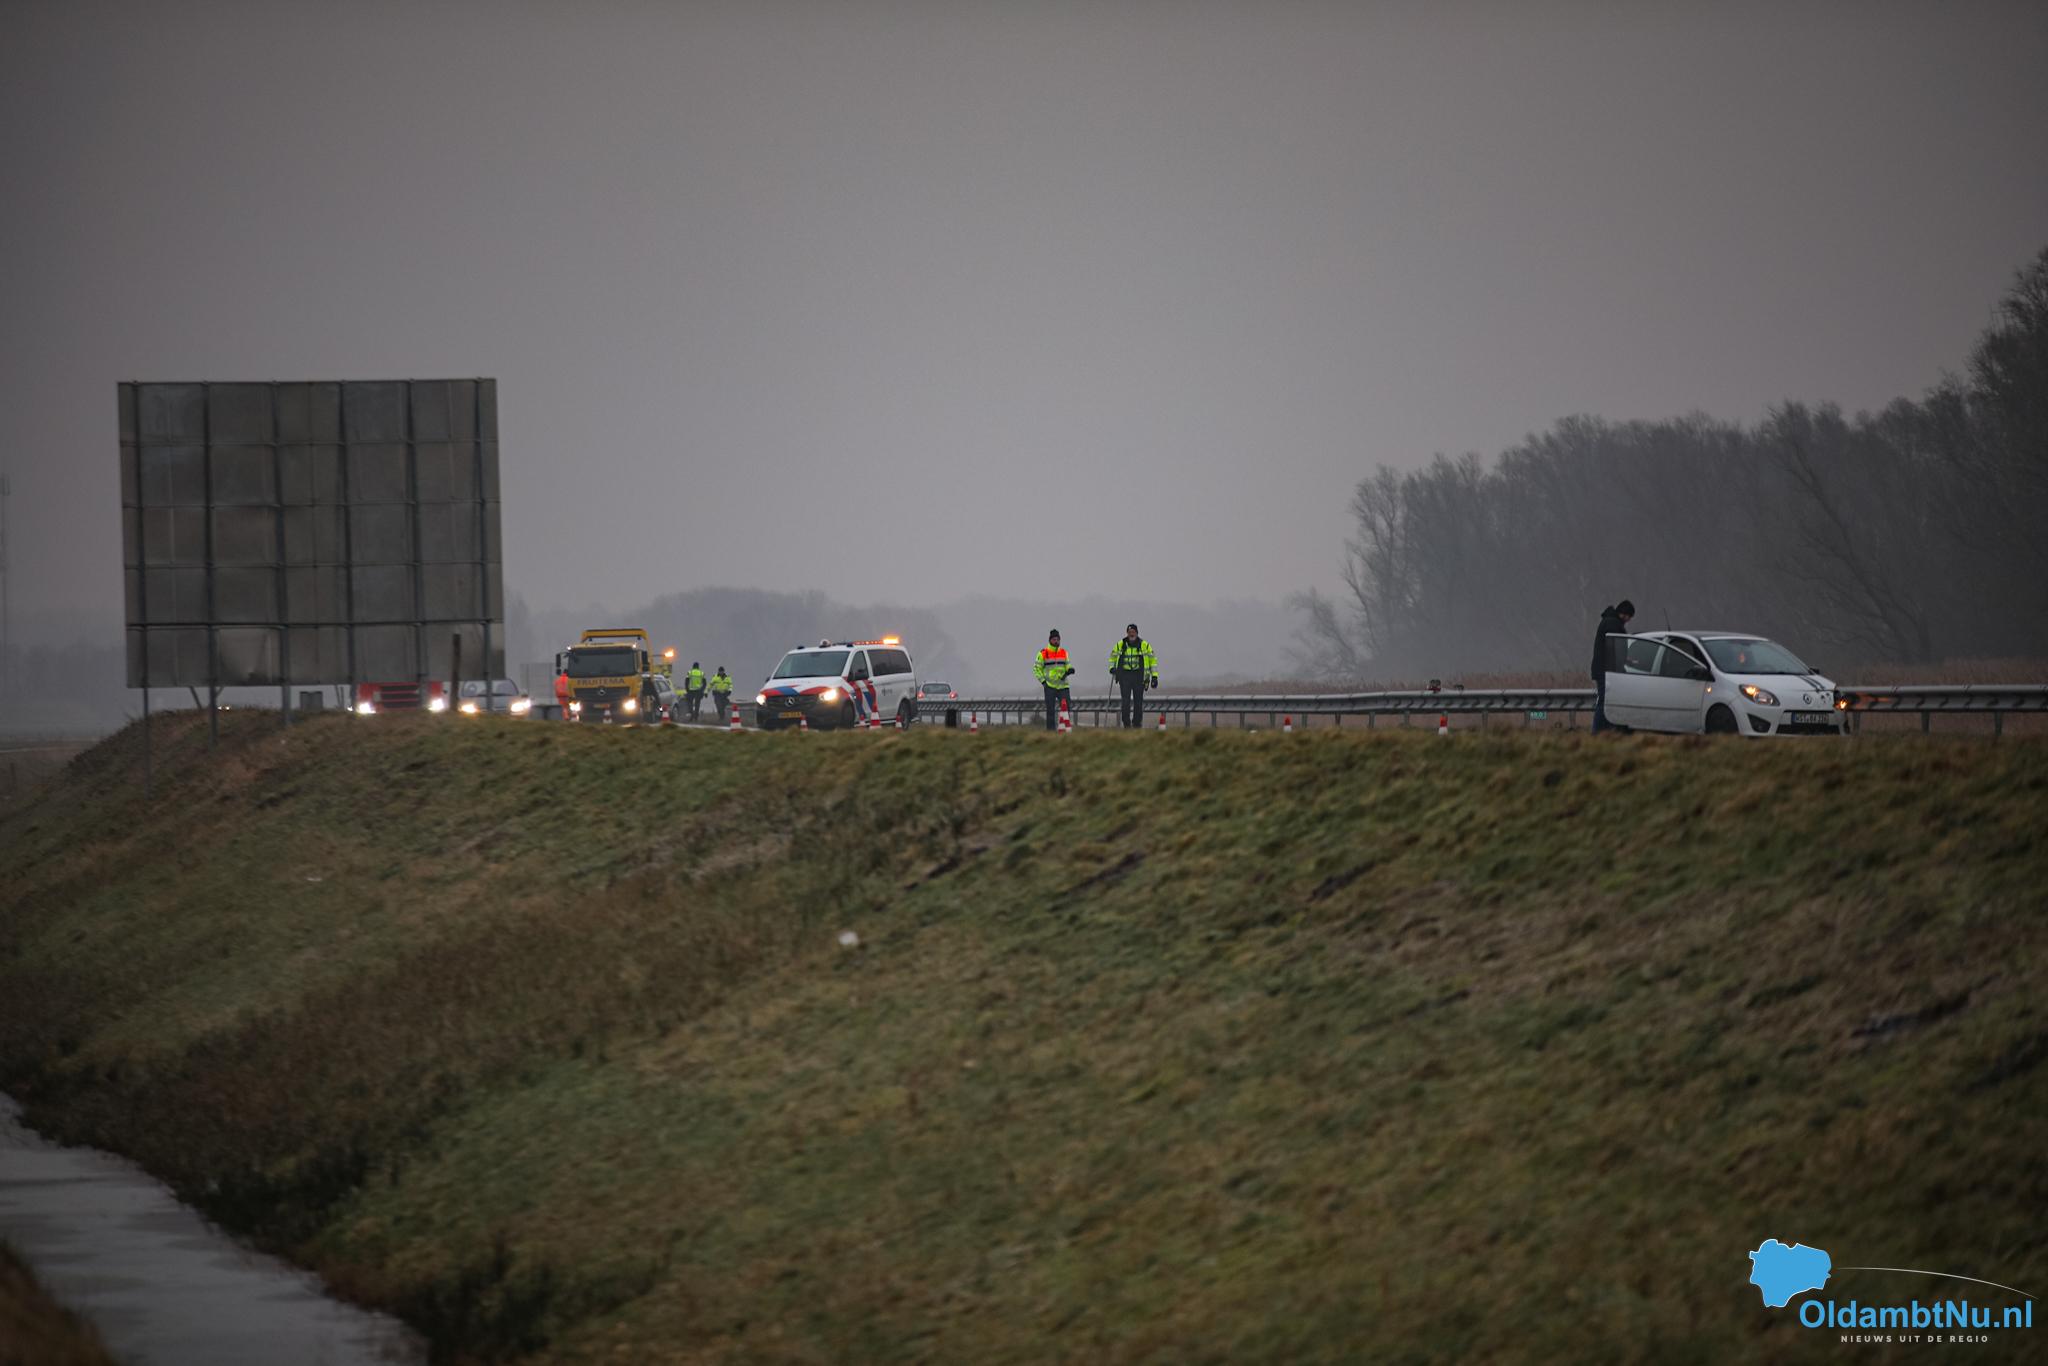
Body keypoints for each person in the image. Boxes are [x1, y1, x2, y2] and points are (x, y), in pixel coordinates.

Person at [1589, 599, 1634, 734]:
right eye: (1629, 617)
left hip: (1605, 669)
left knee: (1607, 701)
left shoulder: (1610, 621)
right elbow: (1615, 648)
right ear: (1624, 614)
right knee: (1605, 702)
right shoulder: (1613, 624)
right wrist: (1623, 661)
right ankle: (1597, 732)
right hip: (1606, 671)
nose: (1628, 620)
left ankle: (1607, 731)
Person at [1108, 623, 1159, 728]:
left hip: (1139, 676)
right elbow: (1112, 657)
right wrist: (1112, 668)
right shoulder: (1120, 644)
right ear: (1127, 633)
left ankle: (1136, 723)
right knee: (1125, 701)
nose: (1131, 634)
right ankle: (1126, 723)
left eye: (1133, 632)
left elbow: (1153, 661)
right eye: (1130, 632)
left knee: (1138, 701)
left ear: (1137, 633)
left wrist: (1154, 676)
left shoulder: (1145, 645)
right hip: (1124, 676)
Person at [1034, 629, 1075, 731]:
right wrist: (1043, 682)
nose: (1056, 641)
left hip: (1063, 685)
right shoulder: (1043, 653)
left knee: (1067, 707)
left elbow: (1067, 664)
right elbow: (1036, 669)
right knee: (1050, 710)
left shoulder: (1064, 652)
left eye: (1058, 639)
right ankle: (1051, 731)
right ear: (1050, 640)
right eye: (1054, 639)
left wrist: (1069, 669)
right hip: (1049, 686)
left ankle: (1065, 729)